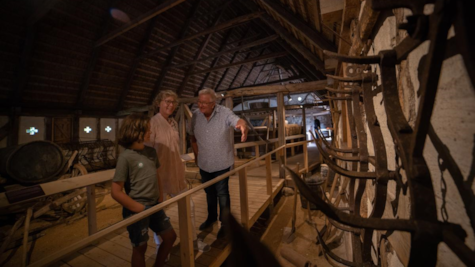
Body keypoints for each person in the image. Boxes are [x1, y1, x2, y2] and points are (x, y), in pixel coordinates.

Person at [147, 90, 210, 252]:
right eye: (167, 101)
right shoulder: (152, 124)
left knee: (189, 207)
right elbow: (147, 154)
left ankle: (193, 241)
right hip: (159, 178)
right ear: (158, 103)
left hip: (176, 174)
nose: (170, 105)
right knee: (159, 215)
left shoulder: (173, 123)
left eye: (173, 102)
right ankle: (161, 248)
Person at [112, 114, 176, 267]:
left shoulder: (151, 152)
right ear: (136, 132)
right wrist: (138, 208)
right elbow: (116, 191)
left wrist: (160, 197)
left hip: (154, 205)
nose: (150, 132)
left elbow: (157, 175)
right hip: (137, 208)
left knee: (170, 237)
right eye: (147, 130)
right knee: (140, 247)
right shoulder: (125, 157)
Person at [189, 88, 248, 238]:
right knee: (209, 193)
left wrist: (242, 125)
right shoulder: (195, 116)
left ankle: (226, 223)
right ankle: (211, 217)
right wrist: (197, 154)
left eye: (204, 103)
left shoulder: (224, 112)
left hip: (222, 162)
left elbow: (236, 120)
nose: (201, 105)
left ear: (213, 103)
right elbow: (192, 136)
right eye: (199, 102)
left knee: (222, 193)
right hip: (204, 163)